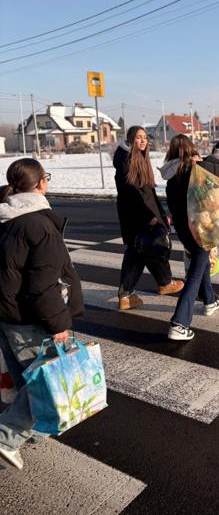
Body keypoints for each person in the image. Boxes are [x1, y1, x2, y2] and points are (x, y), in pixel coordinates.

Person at [0, 158, 84, 470]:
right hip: (29, 318)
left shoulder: (6, 217)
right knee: (48, 382)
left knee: (27, 380)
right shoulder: (39, 226)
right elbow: (43, 286)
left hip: (7, 315)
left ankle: (32, 431)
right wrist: (59, 324)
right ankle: (6, 436)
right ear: (41, 184)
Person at [113, 126, 184, 310]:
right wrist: (150, 216)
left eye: (145, 137)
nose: (143, 140)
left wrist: (161, 214)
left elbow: (148, 192)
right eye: (138, 137)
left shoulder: (136, 158)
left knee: (140, 250)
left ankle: (129, 294)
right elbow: (133, 193)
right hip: (139, 215)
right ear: (130, 140)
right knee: (150, 247)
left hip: (141, 213)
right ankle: (162, 283)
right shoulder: (126, 161)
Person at [160, 134, 219, 341]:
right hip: (200, 226)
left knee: (200, 262)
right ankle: (179, 323)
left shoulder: (171, 174)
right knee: (195, 274)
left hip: (182, 228)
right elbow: (211, 194)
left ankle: (210, 300)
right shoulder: (195, 171)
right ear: (190, 148)